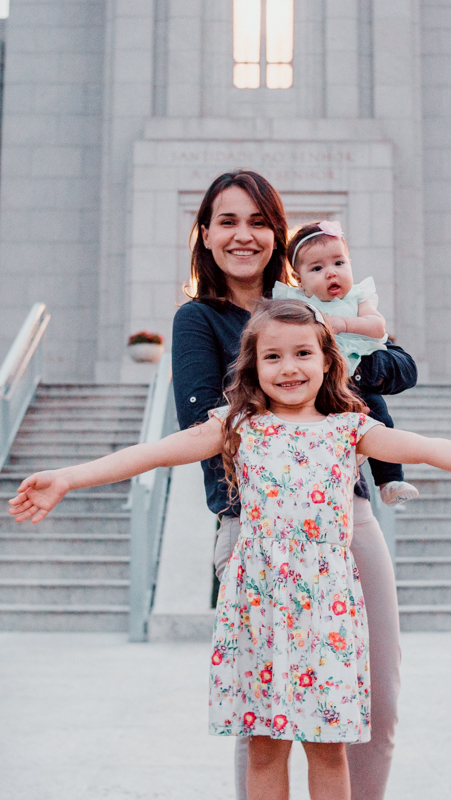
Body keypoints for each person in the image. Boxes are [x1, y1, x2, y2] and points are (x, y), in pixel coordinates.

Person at [9, 300, 451, 800]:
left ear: (327, 361)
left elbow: (427, 448)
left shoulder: (350, 428)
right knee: (263, 746)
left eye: (303, 353)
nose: (289, 368)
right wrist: (69, 477)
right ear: (253, 367)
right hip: (259, 608)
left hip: (327, 611)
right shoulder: (237, 426)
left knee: (328, 748)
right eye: (273, 357)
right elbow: (155, 453)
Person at [171, 169, 417, 798]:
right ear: (205, 234)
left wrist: (338, 351)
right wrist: (298, 379)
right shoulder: (199, 319)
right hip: (253, 526)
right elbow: (201, 420)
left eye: (258, 222)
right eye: (227, 221)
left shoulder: (314, 305)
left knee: (376, 701)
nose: (243, 235)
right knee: (263, 718)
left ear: (277, 233)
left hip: (345, 520)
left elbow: (399, 366)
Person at [274, 219, 418, 506]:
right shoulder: (298, 304)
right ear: (299, 280)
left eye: (339, 263)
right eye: (317, 268)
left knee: (379, 418)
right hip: (320, 384)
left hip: (357, 376)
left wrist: (344, 323)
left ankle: (389, 480)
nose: (331, 273)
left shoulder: (359, 297)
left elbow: (377, 327)